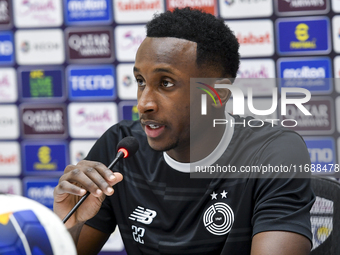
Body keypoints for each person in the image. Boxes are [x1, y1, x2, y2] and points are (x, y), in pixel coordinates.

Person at [53, 8, 315, 255]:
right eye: (141, 82)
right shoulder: (120, 148)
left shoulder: (272, 153)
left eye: (166, 83)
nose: (144, 103)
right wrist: (66, 223)